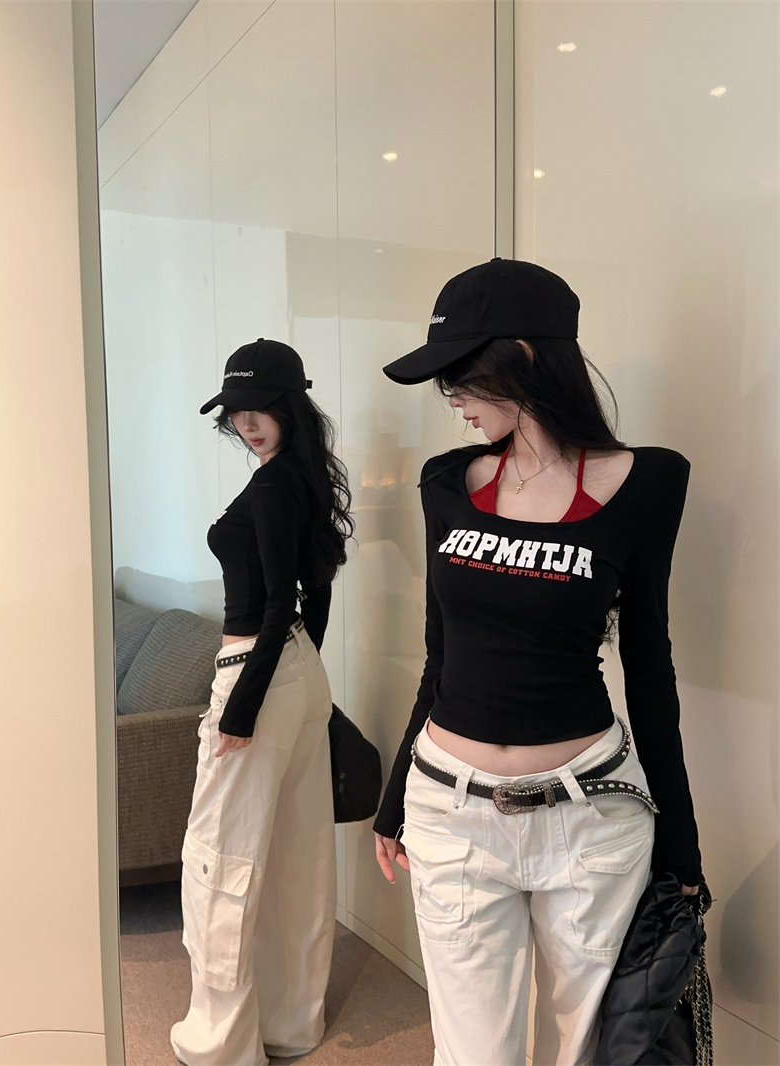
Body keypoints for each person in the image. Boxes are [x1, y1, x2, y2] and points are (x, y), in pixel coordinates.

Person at [372, 259, 703, 1066]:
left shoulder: (647, 483)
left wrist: (683, 847)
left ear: (520, 356)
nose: (450, 398)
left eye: (459, 375)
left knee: (588, 1053)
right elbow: (441, 655)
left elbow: (649, 668)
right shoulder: (447, 483)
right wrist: (395, 795)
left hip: (590, 817)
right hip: (451, 811)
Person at [171, 338, 353, 1066]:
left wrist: (242, 710)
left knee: (219, 855)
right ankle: (290, 1023)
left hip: (259, 668)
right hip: (294, 670)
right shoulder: (300, 477)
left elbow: (279, 603)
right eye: (236, 412)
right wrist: (304, 672)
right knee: (296, 853)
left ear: (289, 408)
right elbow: (317, 592)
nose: (246, 423)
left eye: (259, 409)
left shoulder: (276, 486)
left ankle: (219, 1044)